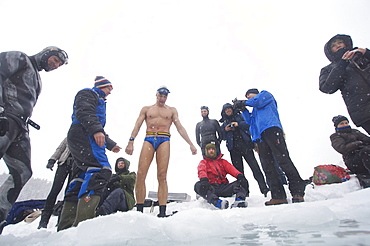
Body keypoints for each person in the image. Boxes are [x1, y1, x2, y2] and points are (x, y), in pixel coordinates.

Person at [0, 46, 68, 234]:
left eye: (59, 64)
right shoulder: (19, 58)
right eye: (55, 60)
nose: (55, 65)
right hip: (5, 116)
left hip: (21, 126)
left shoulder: (37, 79)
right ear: (46, 53)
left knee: (22, 172)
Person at [57, 76, 121, 231]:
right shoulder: (88, 94)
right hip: (85, 133)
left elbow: (92, 120)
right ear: (102, 85)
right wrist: (96, 130)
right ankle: (83, 224)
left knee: (80, 175)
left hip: (83, 133)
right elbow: (84, 112)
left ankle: (66, 225)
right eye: (109, 88)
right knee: (100, 170)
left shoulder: (97, 99)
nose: (110, 92)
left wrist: (110, 144)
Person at [125, 86, 197, 217]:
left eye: (165, 97)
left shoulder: (171, 111)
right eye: (161, 96)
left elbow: (179, 127)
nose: (163, 98)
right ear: (156, 95)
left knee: (162, 175)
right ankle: (139, 210)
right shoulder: (147, 109)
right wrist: (131, 141)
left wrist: (191, 144)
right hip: (149, 138)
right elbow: (138, 125)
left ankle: (162, 211)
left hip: (164, 139)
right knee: (141, 174)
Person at [233, 88, 306, 205]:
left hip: (271, 129)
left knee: (283, 159)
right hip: (260, 137)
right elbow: (250, 121)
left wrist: (243, 102)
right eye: (246, 97)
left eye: (249, 96)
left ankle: (297, 190)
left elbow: (257, 101)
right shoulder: (255, 109)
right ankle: (278, 195)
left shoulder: (265, 95)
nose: (248, 98)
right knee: (268, 166)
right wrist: (243, 109)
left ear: (255, 94)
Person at [319, 34, 370, 135]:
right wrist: (342, 64)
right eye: (333, 45)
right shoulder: (329, 69)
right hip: (364, 112)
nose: (338, 45)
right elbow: (326, 87)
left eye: (339, 42)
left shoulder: (361, 56)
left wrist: (367, 53)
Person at [219, 103, 269, 196]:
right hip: (233, 150)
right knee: (239, 173)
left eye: (229, 109)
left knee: (255, 168)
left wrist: (238, 124)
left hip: (246, 146)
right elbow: (222, 137)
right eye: (226, 110)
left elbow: (249, 124)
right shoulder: (224, 124)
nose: (228, 111)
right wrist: (225, 130)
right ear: (224, 112)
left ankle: (264, 189)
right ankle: (244, 192)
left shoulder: (240, 117)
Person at [194, 143, 249, 209]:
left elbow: (231, 169)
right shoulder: (203, 162)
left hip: (223, 187)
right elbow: (201, 171)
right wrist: (204, 180)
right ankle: (217, 202)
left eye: (212, 149)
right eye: (209, 149)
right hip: (211, 187)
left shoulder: (223, 162)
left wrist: (239, 176)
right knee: (198, 185)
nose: (211, 151)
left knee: (240, 182)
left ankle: (239, 200)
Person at [38, 137, 73, 229]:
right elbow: (61, 148)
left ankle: (62, 219)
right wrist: (52, 159)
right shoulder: (71, 134)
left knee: (69, 193)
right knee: (54, 190)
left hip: (77, 166)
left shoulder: (88, 135)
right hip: (64, 163)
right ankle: (44, 221)